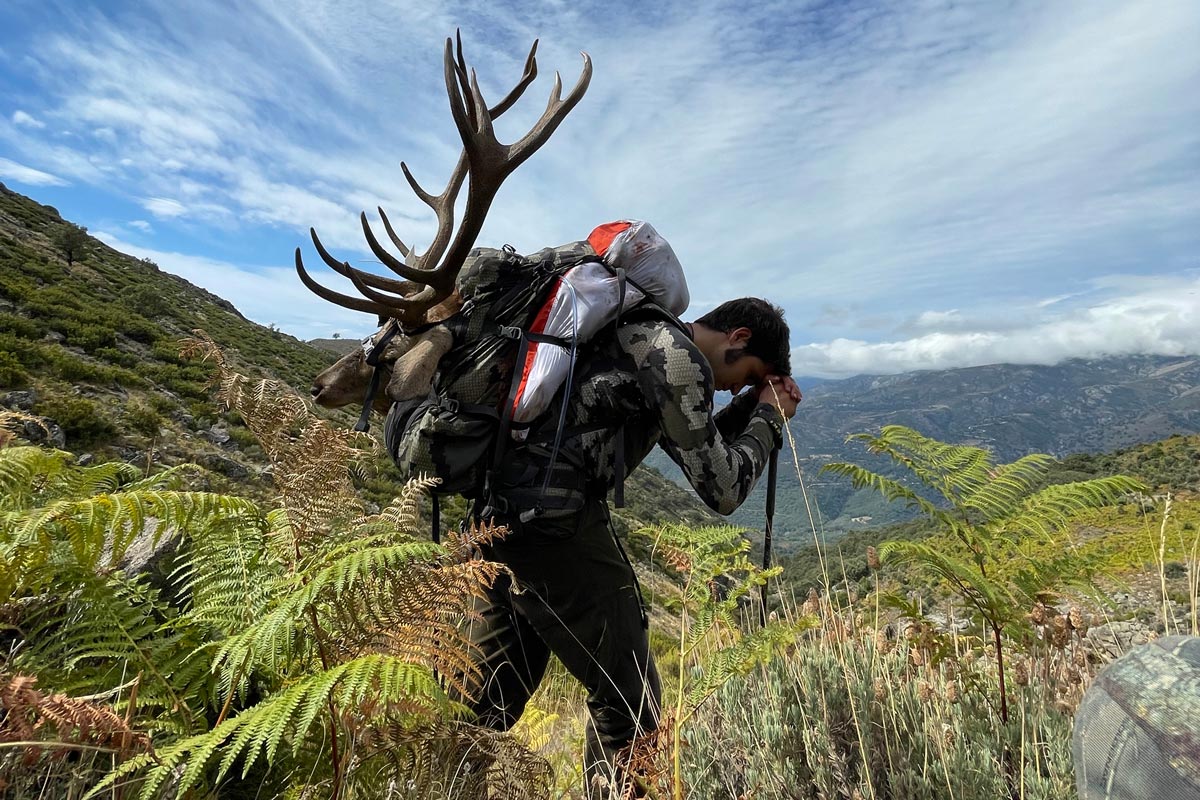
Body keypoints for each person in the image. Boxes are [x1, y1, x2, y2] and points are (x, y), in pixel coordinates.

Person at [464, 297, 801, 797]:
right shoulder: (676, 358)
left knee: (490, 694)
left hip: (495, 517)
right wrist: (770, 420)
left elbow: (696, 446)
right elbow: (723, 489)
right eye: (749, 375)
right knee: (631, 704)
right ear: (740, 338)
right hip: (555, 526)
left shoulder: (641, 334)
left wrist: (751, 407)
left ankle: (428, 780)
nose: (738, 386)